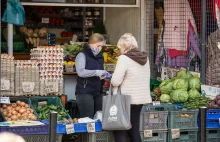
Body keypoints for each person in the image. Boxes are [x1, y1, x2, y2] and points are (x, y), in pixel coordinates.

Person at [111, 33, 152, 142]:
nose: (120, 50)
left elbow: (116, 81)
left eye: (120, 47)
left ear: (124, 47)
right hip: (140, 99)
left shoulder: (124, 58)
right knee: (134, 129)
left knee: (120, 128)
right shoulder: (145, 58)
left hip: (126, 99)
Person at [75, 33, 111, 118]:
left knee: (99, 118)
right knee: (87, 119)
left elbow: (100, 73)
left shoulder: (100, 56)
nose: (100, 48)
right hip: (85, 92)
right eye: (98, 46)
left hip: (98, 92)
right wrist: (97, 72)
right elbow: (80, 72)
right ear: (90, 43)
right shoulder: (82, 55)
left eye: (101, 46)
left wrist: (106, 76)